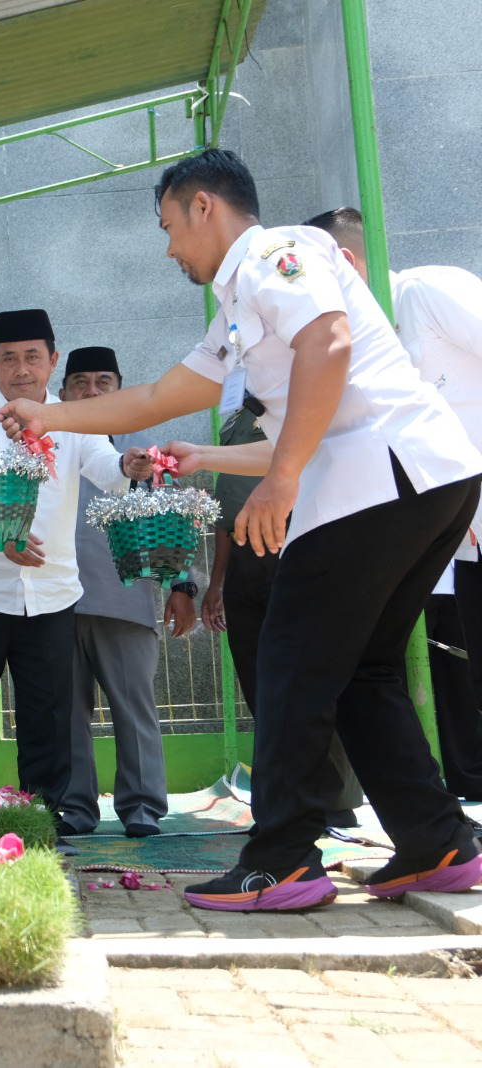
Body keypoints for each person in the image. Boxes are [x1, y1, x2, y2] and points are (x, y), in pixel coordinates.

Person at [0, 148, 482, 910]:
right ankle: (436, 841)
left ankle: (281, 861)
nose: (167, 249)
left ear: (203, 207)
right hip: (425, 478)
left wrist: (283, 480)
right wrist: (52, 416)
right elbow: (161, 395)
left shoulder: (271, 254)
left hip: (373, 483)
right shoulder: (241, 301)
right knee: (364, 670)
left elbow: (330, 344)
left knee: (290, 663)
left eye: (167, 226)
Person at [0, 311, 152, 824]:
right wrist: (0, 531)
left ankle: (46, 829)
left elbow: (105, 467)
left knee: (47, 724)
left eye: (32, 356)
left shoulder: (74, 420)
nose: (21, 368)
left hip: (52, 596)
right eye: (9, 358)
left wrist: (129, 465)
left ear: (52, 360)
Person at [303, 206, 482, 804]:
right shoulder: (350, 341)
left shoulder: (430, 290)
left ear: (346, 263)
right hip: (437, 538)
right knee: (454, 674)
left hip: (471, 511)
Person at [202, 397, 366, 826]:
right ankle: (287, 798)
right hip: (244, 557)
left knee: (310, 678)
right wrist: (217, 583)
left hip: (295, 542)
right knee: (262, 686)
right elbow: (225, 511)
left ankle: (334, 801)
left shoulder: (300, 402)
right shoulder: (236, 414)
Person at [56, 347, 187, 838]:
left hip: (125, 600)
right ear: (64, 392)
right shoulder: (46, 441)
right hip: (55, 600)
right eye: (81, 383)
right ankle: (76, 808)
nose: (91, 392)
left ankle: (142, 807)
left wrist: (182, 584)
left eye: (103, 382)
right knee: (65, 713)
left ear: (120, 387)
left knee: (133, 709)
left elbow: (173, 520)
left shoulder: (143, 451)